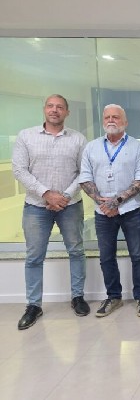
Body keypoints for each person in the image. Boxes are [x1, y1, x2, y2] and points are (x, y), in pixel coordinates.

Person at [12, 94, 88, 330]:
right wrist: (46, 194)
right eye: (51, 106)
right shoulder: (26, 136)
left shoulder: (78, 139)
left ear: (67, 112)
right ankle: (33, 305)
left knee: (76, 251)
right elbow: (19, 170)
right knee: (34, 257)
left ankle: (78, 297)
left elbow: (84, 172)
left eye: (60, 107)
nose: (55, 110)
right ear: (44, 109)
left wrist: (64, 196)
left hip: (70, 205)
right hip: (36, 207)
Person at [79, 104, 140, 318]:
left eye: (116, 117)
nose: (111, 120)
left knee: (138, 256)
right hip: (102, 213)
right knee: (106, 257)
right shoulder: (91, 147)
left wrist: (116, 201)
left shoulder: (137, 147)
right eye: (107, 117)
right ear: (103, 121)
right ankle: (113, 297)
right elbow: (85, 178)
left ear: (125, 122)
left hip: (131, 210)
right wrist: (102, 202)